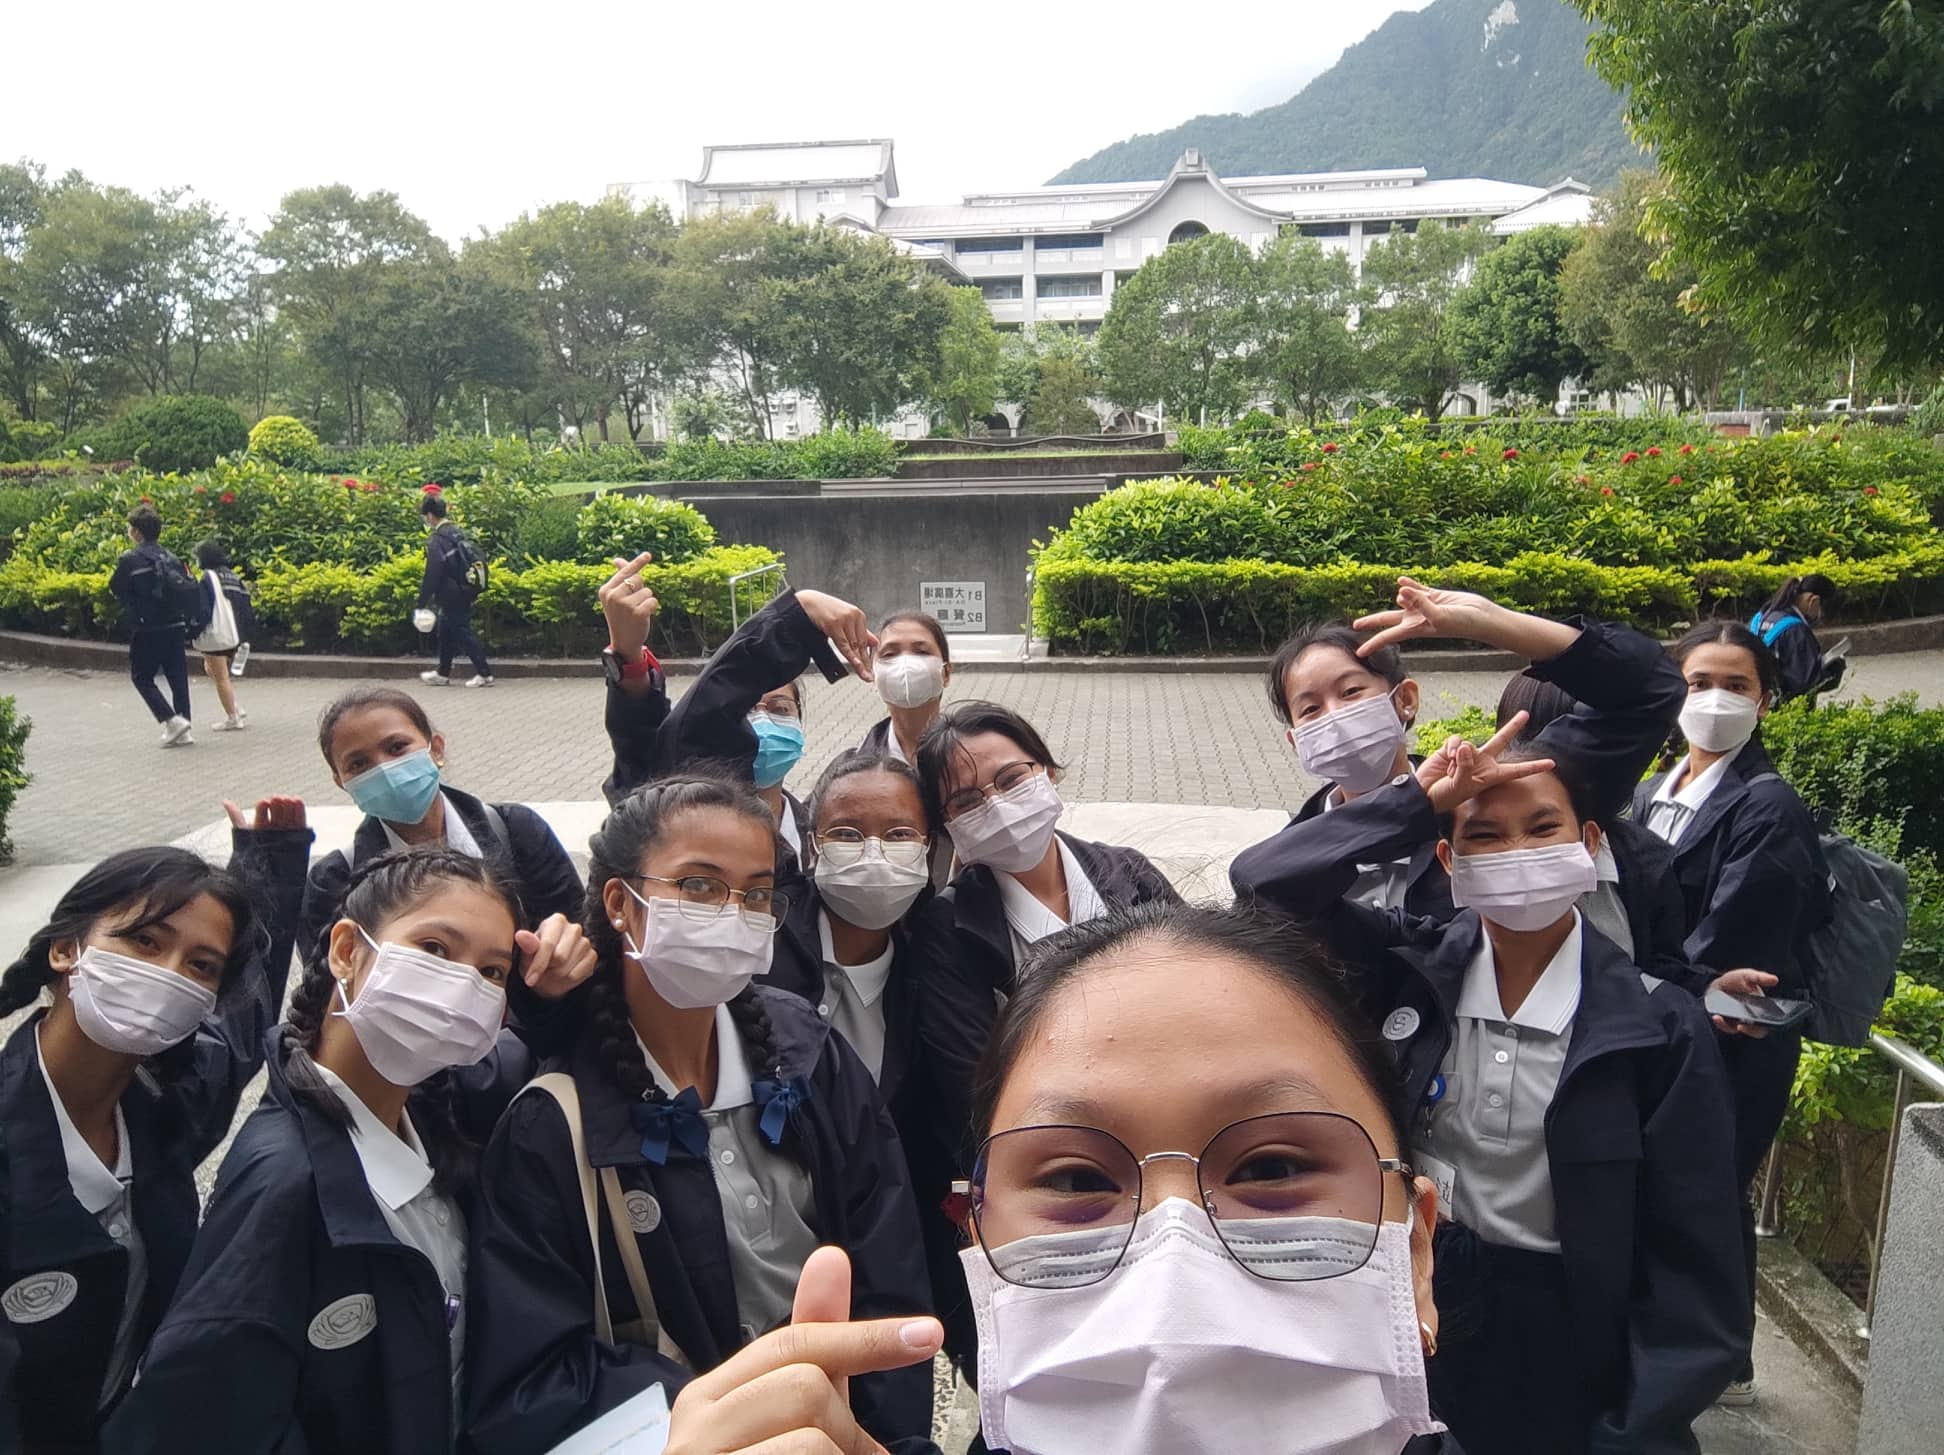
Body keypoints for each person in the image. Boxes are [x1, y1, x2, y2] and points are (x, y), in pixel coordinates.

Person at [1234, 721, 1747, 1454]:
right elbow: (1264, 885)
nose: (1519, 853)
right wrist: (1411, 800)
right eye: (1485, 836)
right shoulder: (1406, 965)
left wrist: (1632, 1431)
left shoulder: (1655, 1026)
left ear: (1590, 842)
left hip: (1565, 1339)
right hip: (1417, 1308)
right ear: (1447, 858)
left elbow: (1696, 1270)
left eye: (1544, 828)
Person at [462, 775, 933, 1454]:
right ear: (622, 902)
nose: (734, 913)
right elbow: (529, 1376)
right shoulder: (553, 1122)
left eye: (757, 893)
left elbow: (889, 1261)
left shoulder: (809, 1052)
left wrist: (886, 1436)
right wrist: (717, 1410)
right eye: (702, 886)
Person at [104, 847, 599, 1455]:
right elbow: (201, 1417)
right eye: (436, 950)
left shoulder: (430, 1106)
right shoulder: (284, 1186)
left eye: (492, 973)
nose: (462, 986)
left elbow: (532, 1055)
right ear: (346, 949)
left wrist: (552, 996)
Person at [0, 799, 312, 1452]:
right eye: (145, 940)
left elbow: (246, 1016)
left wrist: (271, 860)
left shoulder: (168, 1105)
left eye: (199, 966)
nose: (167, 973)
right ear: (67, 949)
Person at [1634, 621, 1832, 1407]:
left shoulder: (1768, 806)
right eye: (1696, 681)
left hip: (1732, 1039)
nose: (1714, 698)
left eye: (1736, 685)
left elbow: (1731, 948)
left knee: (1709, 1188)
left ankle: (1724, 1361)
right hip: (1669, 1023)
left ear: (1766, 700)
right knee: (1682, 1187)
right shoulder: (1655, 792)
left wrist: (1646, 975)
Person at [1240, 579, 1685, 919]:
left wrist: (1496, 623)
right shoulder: (1293, 852)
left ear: (1405, 700)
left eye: (1352, 691)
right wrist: (1409, 805)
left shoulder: (1488, 794)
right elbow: (1252, 883)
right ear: (1296, 740)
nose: (1335, 715)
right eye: (1311, 709)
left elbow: (1651, 690)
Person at [608, 586, 876, 868]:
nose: (762, 720)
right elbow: (675, 739)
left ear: (800, 722)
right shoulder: (683, 820)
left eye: (780, 709)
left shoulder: (818, 836)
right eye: (743, 710)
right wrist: (794, 618)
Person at [300, 687, 584, 954]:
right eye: (359, 764)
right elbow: (325, 995)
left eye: (397, 747)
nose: (384, 769)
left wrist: (555, 970)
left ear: (436, 749)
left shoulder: (518, 833)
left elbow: (581, 936)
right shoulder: (334, 882)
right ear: (341, 781)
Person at [763, 750, 935, 1103]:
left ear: (927, 847)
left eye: (899, 835)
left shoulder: (930, 979)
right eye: (847, 834)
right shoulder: (762, 945)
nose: (874, 853)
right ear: (813, 846)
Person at [108, 504, 198, 747]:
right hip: (175, 625)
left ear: (137, 531)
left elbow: (116, 587)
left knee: (141, 677)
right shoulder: (171, 557)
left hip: (147, 628)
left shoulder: (130, 560)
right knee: (177, 677)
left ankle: (171, 720)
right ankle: (185, 726)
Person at [595, 551, 672, 807]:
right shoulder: (687, 813)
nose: (764, 720)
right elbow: (643, 759)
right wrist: (628, 654)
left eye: (781, 708)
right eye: (749, 707)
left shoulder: (801, 822)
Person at [416, 487, 492, 689]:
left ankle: (484, 673)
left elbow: (433, 571)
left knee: (463, 632)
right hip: (465, 589)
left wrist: (422, 601)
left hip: (451, 594)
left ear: (430, 516)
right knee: (445, 630)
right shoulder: (456, 532)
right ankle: (443, 672)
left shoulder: (437, 540)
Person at [859, 612, 952, 764]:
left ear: (946, 673)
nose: (905, 663)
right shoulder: (854, 770)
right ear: (874, 675)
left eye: (921, 652)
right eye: (889, 654)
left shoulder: (975, 758)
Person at [1748, 573, 1842, 702]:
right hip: (1785, 709)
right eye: (1821, 611)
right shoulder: (1796, 630)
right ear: (1813, 600)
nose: (1818, 618)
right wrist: (1832, 672)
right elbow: (1805, 683)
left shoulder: (1761, 617)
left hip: (1756, 699)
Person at [192, 539, 254, 732]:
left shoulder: (209, 577)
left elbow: (203, 608)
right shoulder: (233, 577)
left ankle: (233, 717)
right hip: (235, 634)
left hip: (218, 632)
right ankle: (234, 705)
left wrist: (195, 629)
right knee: (211, 668)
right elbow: (246, 607)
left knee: (220, 677)